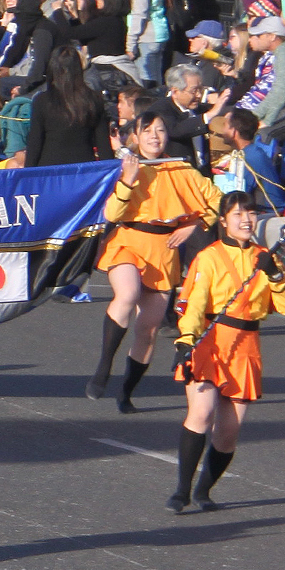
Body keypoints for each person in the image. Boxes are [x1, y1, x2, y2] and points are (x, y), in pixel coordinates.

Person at [167, 192, 285, 513]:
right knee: (202, 413)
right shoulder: (208, 256)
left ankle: (204, 490)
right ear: (223, 221)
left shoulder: (267, 255)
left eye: (251, 213)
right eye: (238, 214)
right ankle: (182, 491)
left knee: (228, 433)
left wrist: (276, 275)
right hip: (211, 339)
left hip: (247, 345)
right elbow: (196, 302)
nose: (246, 220)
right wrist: (186, 338)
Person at [87, 103, 219, 412]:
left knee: (149, 328)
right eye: (147, 131)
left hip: (164, 250)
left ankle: (127, 391)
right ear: (136, 135)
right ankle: (103, 367)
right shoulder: (124, 167)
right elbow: (112, 214)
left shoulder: (181, 168)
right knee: (128, 292)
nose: (155, 137)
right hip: (128, 242)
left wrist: (192, 226)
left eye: (160, 130)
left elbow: (216, 200)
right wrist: (128, 181)